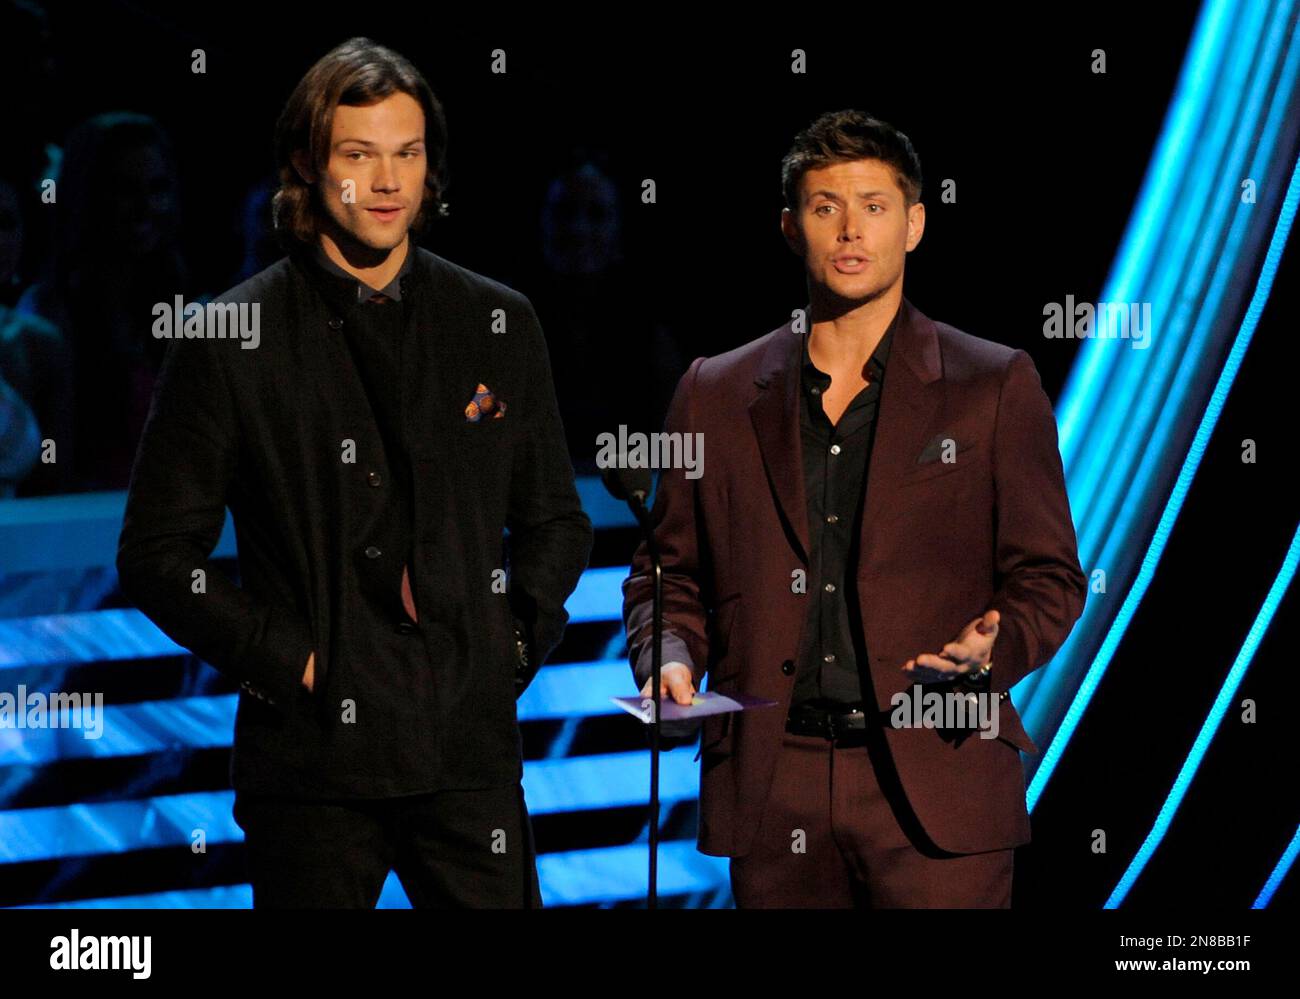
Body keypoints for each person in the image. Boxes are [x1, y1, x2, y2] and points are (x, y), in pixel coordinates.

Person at [116, 37, 592, 908]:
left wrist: (511, 643)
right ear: (306, 162)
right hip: (314, 766)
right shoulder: (230, 337)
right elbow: (156, 553)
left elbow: (556, 520)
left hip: (466, 753)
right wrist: (297, 662)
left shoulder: (497, 320)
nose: (386, 181)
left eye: (406, 154)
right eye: (359, 154)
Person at [622, 109, 1087, 908]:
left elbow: (1048, 576)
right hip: (776, 782)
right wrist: (668, 655)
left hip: (938, 769)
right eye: (824, 205)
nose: (850, 228)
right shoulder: (716, 392)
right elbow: (669, 572)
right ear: (788, 225)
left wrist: (997, 642)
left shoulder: (994, 385)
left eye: (874, 206)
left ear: (913, 224)